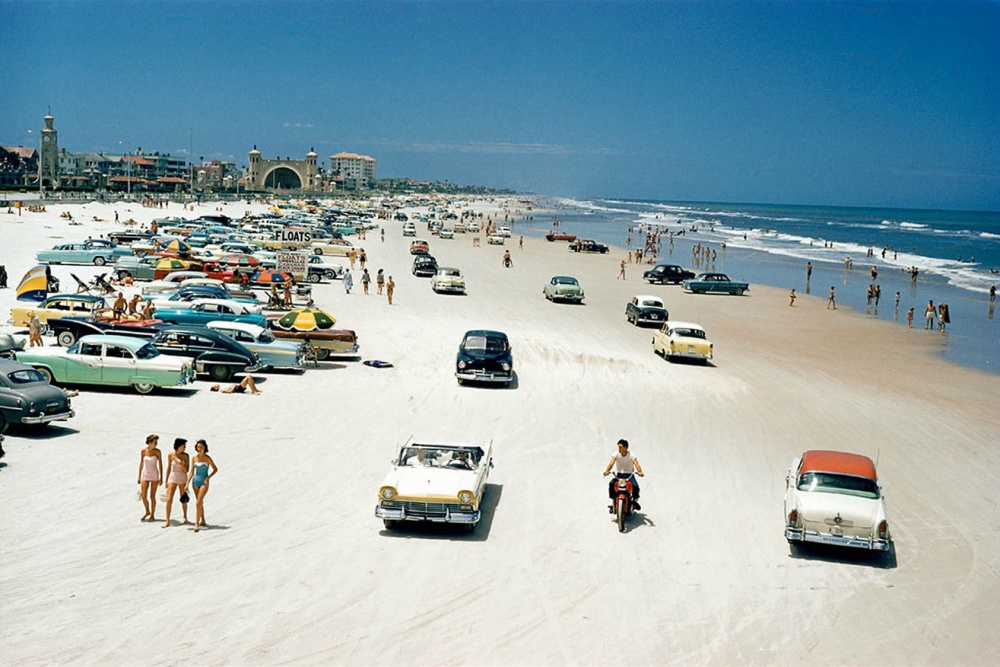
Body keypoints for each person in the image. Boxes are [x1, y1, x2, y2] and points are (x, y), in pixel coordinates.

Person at [602, 439, 644, 511]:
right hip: (619, 475)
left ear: (625, 447)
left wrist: (640, 472)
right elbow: (611, 463)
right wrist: (606, 471)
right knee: (612, 484)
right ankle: (613, 503)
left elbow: (636, 464)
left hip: (629, 475)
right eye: (618, 447)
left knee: (635, 486)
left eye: (620, 447)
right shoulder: (616, 454)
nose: (619, 448)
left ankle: (635, 501)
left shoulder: (631, 455)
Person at [188, 439, 218, 532]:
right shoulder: (194, 458)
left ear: (204, 447)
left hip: (204, 482)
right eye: (198, 447)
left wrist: (208, 477)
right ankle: (203, 520)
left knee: (198, 502)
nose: (199, 448)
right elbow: (191, 472)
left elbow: (215, 469)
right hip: (195, 482)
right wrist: (187, 483)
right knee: (199, 502)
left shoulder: (207, 458)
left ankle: (196, 524)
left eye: (201, 447)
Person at [162, 438, 190, 528]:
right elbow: (169, 468)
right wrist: (166, 480)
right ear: (178, 446)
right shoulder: (171, 455)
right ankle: (167, 520)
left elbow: (187, 470)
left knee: (183, 499)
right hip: (172, 477)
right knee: (169, 499)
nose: (184, 448)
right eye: (183, 446)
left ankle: (185, 517)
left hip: (182, 478)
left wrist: (180, 463)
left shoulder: (186, 456)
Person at [137, 434, 163, 522]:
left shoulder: (157, 452)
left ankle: (152, 514)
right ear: (150, 442)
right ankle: (147, 511)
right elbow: (141, 464)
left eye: (157, 442)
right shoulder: (143, 451)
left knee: (152, 496)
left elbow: (160, 465)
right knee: (143, 495)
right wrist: (139, 476)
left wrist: (161, 477)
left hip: (154, 474)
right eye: (155, 442)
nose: (156, 444)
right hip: (145, 474)